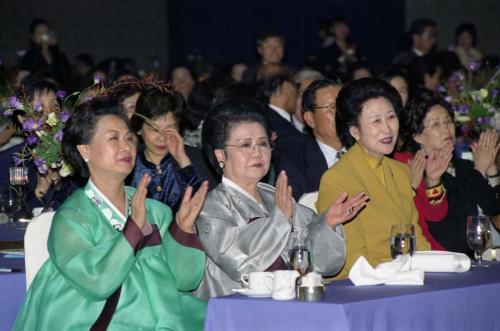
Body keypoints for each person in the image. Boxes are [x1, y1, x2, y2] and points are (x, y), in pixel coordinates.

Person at [14, 98, 209, 330]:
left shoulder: (155, 211)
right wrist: (133, 229)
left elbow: (184, 281)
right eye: (113, 138)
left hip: (159, 314)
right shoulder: (73, 217)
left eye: (129, 138)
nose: (126, 146)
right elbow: (98, 284)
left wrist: (183, 231)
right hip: (97, 320)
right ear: (85, 150)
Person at [193, 100, 368, 299]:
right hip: (238, 308)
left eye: (263, 143)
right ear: (220, 154)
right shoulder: (211, 208)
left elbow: (316, 264)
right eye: (245, 145)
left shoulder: (275, 196)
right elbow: (242, 266)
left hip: (286, 301)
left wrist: (327, 224)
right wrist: (279, 220)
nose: (257, 153)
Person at [317, 78, 431, 279]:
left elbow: (416, 238)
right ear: (354, 131)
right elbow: (354, 257)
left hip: (403, 276)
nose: (387, 129)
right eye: (376, 121)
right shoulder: (337, 179)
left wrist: (431, 269)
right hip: (361, 283)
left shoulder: (402, 171)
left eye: (391, 117)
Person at [400, 91, 500, 255]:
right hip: (439, 258)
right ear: (417, 136)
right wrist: (480, 170)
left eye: (448, 121)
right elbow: (452, 213)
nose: (446, 128)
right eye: (436, 124)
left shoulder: (465, 166)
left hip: (471, 256)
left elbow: (492, 208)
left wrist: (491, 171)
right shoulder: (416, 170)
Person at [129, 87, 203, 212]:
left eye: (169, 129)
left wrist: (183, 161)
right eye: (154, 129)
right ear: (139, 129)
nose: (162, 138)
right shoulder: (128, 162)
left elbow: (208, 207)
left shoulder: (197, 158)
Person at [273, 79, 344, 201]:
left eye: (344, 106)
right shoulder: (293, 162)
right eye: (332, 107)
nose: (341, 113)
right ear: (310, 119)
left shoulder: (368, 150)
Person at [21, 19, 70, 88]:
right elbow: (28, 79)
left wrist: (55, 48)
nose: (44, 36)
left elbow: (65, 76)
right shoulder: (28, 57)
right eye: (40, 33)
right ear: (32, 37)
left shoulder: (60, 55)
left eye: (46, 32)